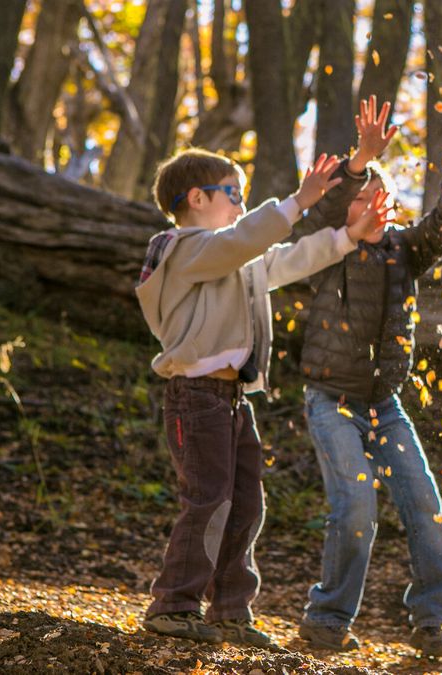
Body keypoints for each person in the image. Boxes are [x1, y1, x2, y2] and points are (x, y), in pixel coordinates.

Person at [134, 103, 395, 646]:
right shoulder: (181, 250)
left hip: (231, 400)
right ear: (197, 199)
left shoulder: (234, 258)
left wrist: (348, 237)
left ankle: (231, 609)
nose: (242, 205)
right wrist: (299, 200)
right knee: (208, 500)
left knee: (245, 503)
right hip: (195, 397)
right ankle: (173, 605)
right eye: (234, 194)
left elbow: (287, 259)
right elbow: (241, 243)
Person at [294, 113, 442, 659]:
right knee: (355, 505)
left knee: (425, 507)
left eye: (381, 196)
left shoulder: (405, 250)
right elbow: (331, 208)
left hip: (385, 405)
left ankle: (433, 622)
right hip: (331, 400)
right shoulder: (329, 250)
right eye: (361, 198)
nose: (370, 205)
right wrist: (359, 162)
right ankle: (327, 619)